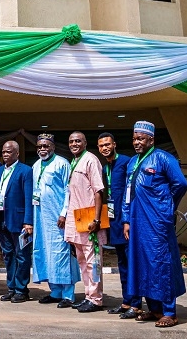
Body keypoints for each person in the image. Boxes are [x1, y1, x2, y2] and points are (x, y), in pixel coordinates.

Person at [122, 121, 187, 328]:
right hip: (136, 221)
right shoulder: (132, 162)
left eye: (140, 138)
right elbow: (127, 193)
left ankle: (170, 312)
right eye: (134, 138)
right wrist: (125, 220)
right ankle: (155, 309)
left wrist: (167, 207)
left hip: (157, 222)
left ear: (151, 139)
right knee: (142, 264)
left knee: (161, 263)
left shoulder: (163, 158)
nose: (136, 142)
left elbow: (181, 184)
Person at [32, 133, 80, 307]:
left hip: (58, 218)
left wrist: (64, 213)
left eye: (46, 146)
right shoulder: (36, 165)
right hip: (40, 218)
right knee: (45, 253)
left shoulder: (62, 163)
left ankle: (68, 294)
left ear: (53, 147)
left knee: (61, 254)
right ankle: (55, 291)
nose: (43, 149)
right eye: (39, 147)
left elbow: (69, 190)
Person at [62, 132, 106, 312]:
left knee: (92, 260)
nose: (74, 144)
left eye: (78, 141)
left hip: (89, 219)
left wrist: (96, 219)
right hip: (76, 218)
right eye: (71, 141)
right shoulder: (74, 161)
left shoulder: (90, 160)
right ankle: (88, 295)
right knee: (82, 260)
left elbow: (98, 191)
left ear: (85, 143)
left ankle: (96, 299)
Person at [96, 131, 139, 317]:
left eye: (107, 144)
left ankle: (135, 304)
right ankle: (126, 301)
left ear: (114, 144)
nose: (104, 148)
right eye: (101, 146)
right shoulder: (106, 166)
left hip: (127, 222)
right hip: (114, 222)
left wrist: (128, 220)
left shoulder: (127, 162)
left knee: (131, 263)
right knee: (122, 263)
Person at [0, 140, 33, 303]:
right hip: (1, 219)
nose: (5, 154)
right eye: (3, 152)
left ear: (17, 153)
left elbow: (29, 197)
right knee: (8, 255)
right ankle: (12, 287)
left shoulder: (25, 171)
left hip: (19, 219)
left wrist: (28, 221)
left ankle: (21, 289)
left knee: (22, 255)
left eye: (8, 152)